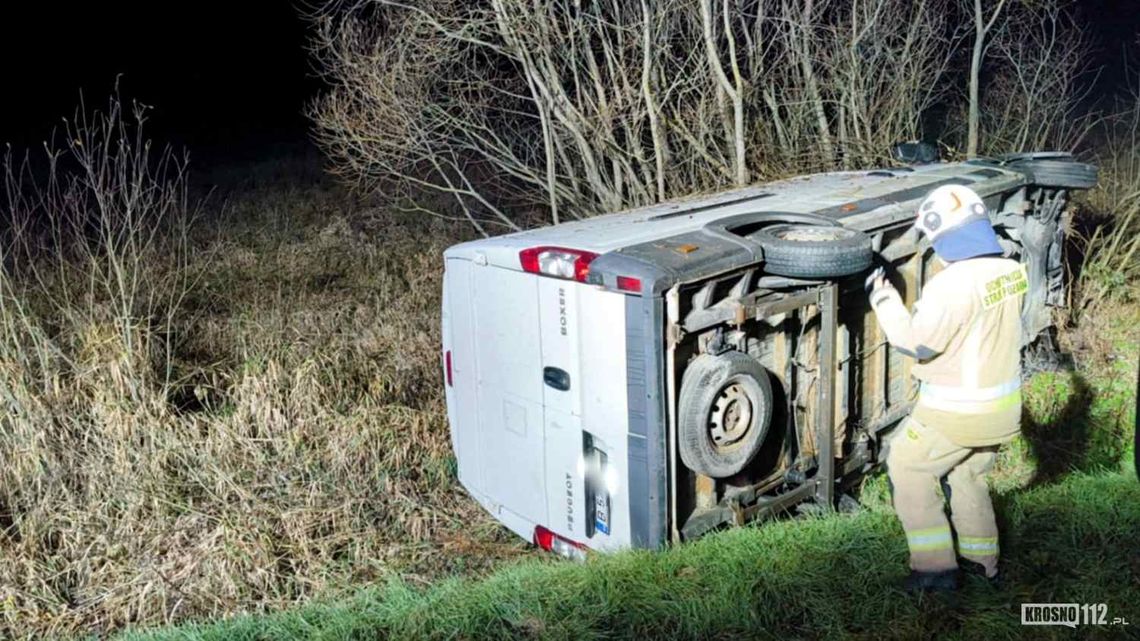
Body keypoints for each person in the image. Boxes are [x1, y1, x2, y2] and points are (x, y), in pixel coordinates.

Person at [867, 184, 1028, 593]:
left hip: (958, 413)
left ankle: (934, 571)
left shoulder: (953, 284)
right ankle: (983, 565)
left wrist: (884, 299)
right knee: (968, 476)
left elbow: (916, 342)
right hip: (1002, 408)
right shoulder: (1011, 271)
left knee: (909, 466)